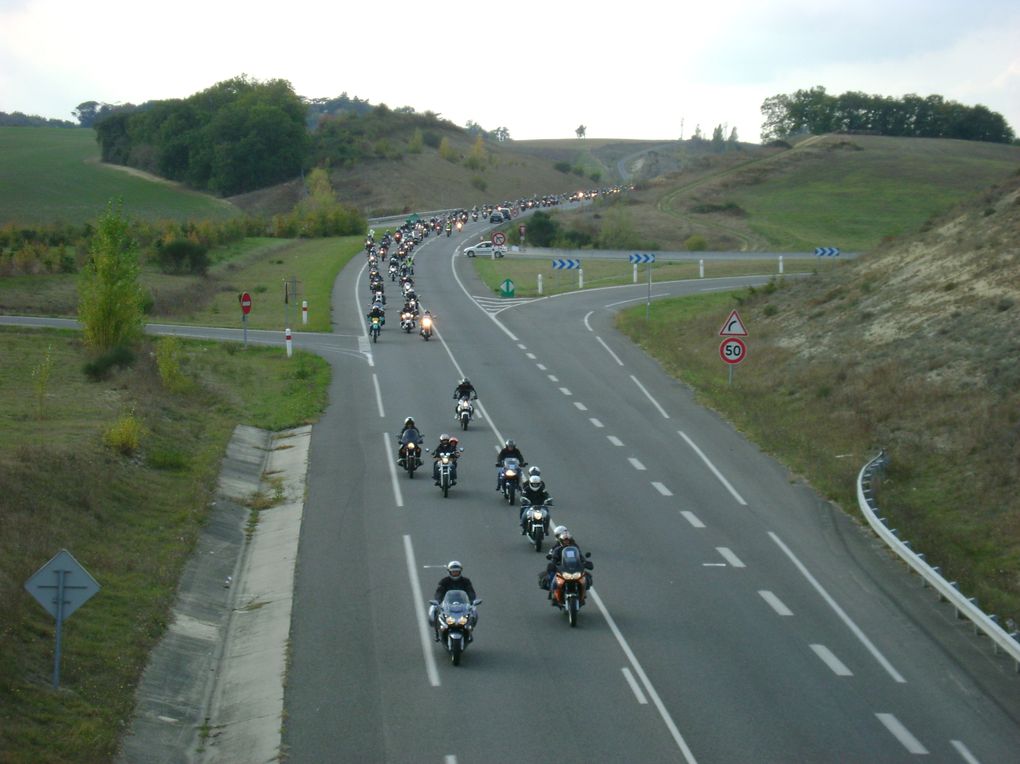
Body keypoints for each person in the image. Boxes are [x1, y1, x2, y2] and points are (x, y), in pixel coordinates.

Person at [429, 561, 478, 638]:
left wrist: (473, 600)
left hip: (463, 603)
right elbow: (439, 592)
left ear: (460, 571)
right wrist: (437, 601)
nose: (455, 573)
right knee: (433, 609)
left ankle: (469, 629)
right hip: (447, 603)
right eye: (453, 572)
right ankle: (437, 631)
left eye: (457, 572)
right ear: (449, 572)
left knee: (474, 610)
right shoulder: (444, 581)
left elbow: (470, 591)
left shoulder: (465, 581)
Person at [544, 527, 592, 598]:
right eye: (564, 540)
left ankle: (583, 591)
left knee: (587, 577)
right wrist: (553, 564)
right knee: (553, 576)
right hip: (561, 568)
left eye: (567, 540)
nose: (566, 542)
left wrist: (585, 562)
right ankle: (552, 591)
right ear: (561, 541)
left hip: (574, 567)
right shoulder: (557, 549)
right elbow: (554, 558)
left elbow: (580, 556)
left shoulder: (575, 548)